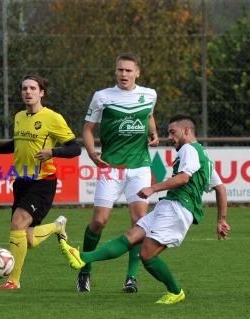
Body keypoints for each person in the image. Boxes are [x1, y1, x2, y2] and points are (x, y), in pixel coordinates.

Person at [60, 114, 230, 304]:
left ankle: (176, 291)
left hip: (179, 208)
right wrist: (221, 219)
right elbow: (221, 188)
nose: (170, 137)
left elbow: (183, 178)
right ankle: (82, 257)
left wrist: (152, 188)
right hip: (168, 205)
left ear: (187, 131)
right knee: (131, 236)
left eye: (173, 132)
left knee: (147, 254)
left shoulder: (189, 149)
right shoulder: (203, 155)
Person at [0, 75, 81, 290]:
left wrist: (53, 152)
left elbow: (75, 148)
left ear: (41, 93)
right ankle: (58, 227)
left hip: (42, 182)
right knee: (28, 239)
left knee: (17, 223)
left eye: (32, 88)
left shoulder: (52, 118)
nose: (27, 92)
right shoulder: (19, 116)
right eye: (24, 88)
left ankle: (13, 281)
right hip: (20, 182)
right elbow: (15, 144)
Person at [78, 52, 160, 293]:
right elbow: (88, 129)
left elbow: (150, 115)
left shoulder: (149, 94)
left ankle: (131, 278)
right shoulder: (102, 97)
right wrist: (92, 153)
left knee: (139, 223)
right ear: (115, 72)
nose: (123, 74)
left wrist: (153, 134)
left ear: (137, 72)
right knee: (99, 221)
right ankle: (84, 269)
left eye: (128, 70)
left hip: (140, 167)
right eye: (120, 70)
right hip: (111, 168)